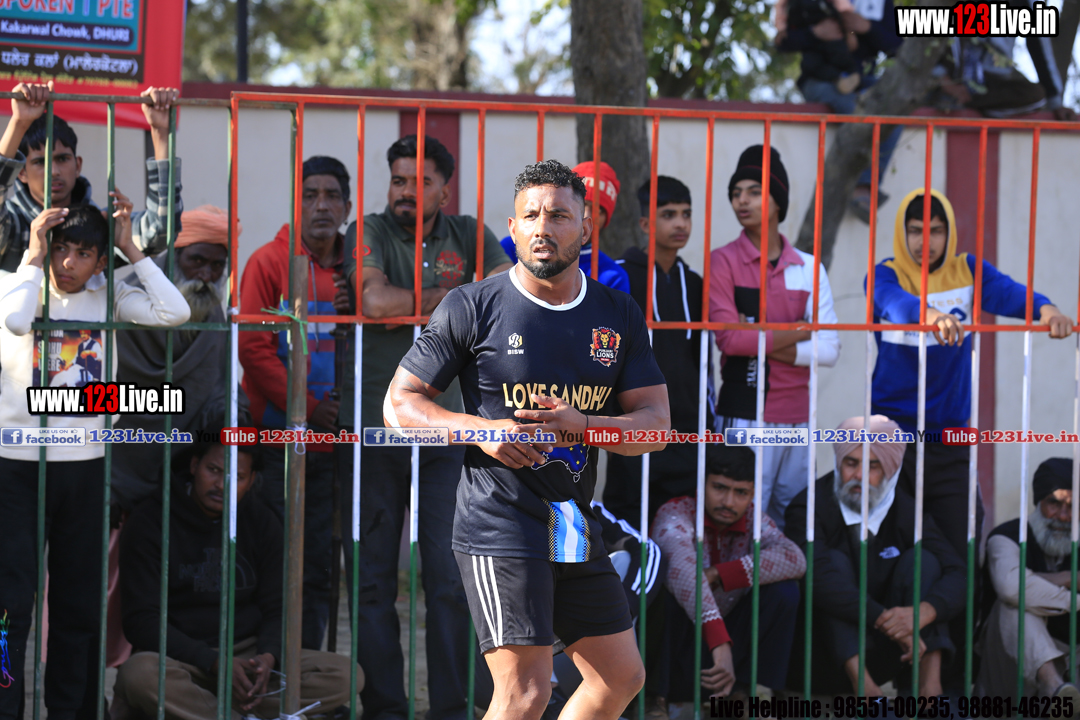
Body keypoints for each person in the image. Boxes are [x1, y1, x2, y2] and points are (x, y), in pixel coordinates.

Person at [386, 159, 670, 720]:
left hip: (571, 521)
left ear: (586, 227)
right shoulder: (472, 305)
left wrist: (585, 426)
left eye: (559, 215)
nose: (544, 227)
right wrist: (483, 431)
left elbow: (656, 427)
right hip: (501, 519)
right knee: (525, 693)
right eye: (531, 216)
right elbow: (399, 404)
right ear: (512, 228)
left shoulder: (617, 312)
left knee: (620, 677)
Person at [335, 134, 510, 720]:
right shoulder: (368, 231)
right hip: (374, 428)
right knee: (370, 582)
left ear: (444, 190)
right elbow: (376, 301)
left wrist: (430, 303)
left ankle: (451, 709)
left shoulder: (470, 233)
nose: (407, 191)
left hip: (449, 430)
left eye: (421, 181)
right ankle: (384, 708)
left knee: (451, 580)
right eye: (399, 180)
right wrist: (456, 298)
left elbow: (508, 297)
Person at [0, 201, 189, 720]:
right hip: (16, 463)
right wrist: (33, 257)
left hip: (84, 465)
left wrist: (132, 250)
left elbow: (175, 312)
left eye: (83, 253)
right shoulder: (17, 283)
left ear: (101, 261)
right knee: (9, 605)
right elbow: (16, 321)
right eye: (61, 248)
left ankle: (70, 711)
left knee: (77, 605)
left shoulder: (110, 294)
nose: (68, 262)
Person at [870, 188, 1074, 562]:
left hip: (951, 435)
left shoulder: (967, 270)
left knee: (960, 542)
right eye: (915, 230)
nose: (925, 241)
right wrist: (931, 316)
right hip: (892, 436)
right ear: (902, 232)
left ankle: (957, 601)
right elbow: (894, 304)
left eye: (936, 230)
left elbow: (1009, 292)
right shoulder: (886, 274)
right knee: (890, 548)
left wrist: (1047, 309)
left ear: (949, 233)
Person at [113, 427, 362, 720]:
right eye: (213, 470)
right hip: (181, 658)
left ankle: (203, 710)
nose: (222, 484)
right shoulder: (150, 521)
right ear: (194, 465)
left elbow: (278, 606)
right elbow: (141, 620)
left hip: (248, 656)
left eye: (238, 477)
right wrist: (213, 662)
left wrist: (268, 655)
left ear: (252, 480)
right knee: (140, 674)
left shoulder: (262, 521)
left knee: (346, 674)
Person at [240, 156, 352, 651]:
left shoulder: (358, 269)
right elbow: (253, 348)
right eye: (310, 195)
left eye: (331, 196)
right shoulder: (268, 262)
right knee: (276, 566)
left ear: (348, 206)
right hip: (279, 444)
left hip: (340, 447)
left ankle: (307, 674)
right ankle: (270, 668)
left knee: (320, 571)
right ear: (295, 203)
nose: (321, 205)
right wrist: (306, 407)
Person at [784, 416, 965, 697]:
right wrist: (883, 618)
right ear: (839, 463)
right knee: (832, 567)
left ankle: (930, 690)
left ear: (890, 469)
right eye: (851, 463)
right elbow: (816, 577)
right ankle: (867, 693)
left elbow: (959, 573)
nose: (859, 475)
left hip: (895, 649)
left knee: (924, 562)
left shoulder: (906, 511)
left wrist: (921, 614)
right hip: (822, 653)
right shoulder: (808, 506)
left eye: (873, 466)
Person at [710, 145, 840, 529]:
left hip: (800, 417)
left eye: (753, 191)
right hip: (744, 413)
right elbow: (731, 341)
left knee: (794, 521)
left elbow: (830, 350)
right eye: (736, 193)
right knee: (741, 522)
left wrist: (760, 339)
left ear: (777, 200)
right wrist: (800, 330)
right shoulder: (723, 261)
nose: (742, 201)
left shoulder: (809, 268)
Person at [654, 444, 805, 701]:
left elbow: (795, 559)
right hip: (682, 647)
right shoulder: (676, 513)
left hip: (731, 649)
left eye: (741, 492)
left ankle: (749, 693)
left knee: (785, 592)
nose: (728, 502)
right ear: (702, 484)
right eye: (719, 488)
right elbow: (683, 572)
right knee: (663, 591)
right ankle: (655, 699)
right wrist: (719, 642)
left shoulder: (755, 519)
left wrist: (719, 573)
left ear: (753, 493)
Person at [605, 176, 714, 527]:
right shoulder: (619, 277)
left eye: (686, 214)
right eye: (669, 215)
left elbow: (704, 360)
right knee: (630, 527)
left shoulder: (695, 283)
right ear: (645, 224)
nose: (680, 224)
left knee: (682, 529)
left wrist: (707, 422)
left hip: (686, 432)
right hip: (635, 427)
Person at [113, 205, 238, 511]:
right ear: (173, 258)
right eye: (197, 261)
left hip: (186, 463)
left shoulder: (211, 309)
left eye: (217, 266)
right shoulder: (130, 296)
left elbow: (221, 384)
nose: (206, 275)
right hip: (121, 455)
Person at [0, 82, 184, 275]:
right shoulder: (14, 223)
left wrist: (160, 132)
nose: (53, 171)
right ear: (22, 172)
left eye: (62, 159)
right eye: (40, 162)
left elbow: (160, 232)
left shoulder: (99, 225)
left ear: (78, 165)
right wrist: (19, 122)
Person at [775, 1, 903, 222]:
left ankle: (865, 185)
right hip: (819, 79)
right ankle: (858, 187)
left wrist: (868, 28)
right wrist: (815, 33)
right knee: (856, 111)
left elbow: (898, 47)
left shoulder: (882, 3)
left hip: (861, 79)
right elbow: (782, 41)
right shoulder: (805, 5)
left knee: (894, 110)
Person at [976, 458, 1080, 700]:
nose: (1063, 516)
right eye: (1054, 503)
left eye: (1073, 507)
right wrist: (1068, 580)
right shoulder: (1007, 536)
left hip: (1071, 660)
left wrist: (1040, 580)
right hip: (1009, 670)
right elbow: (1011, 586)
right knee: (1015, 605)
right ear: (1038, 501)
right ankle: (1053, 688)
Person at [499, 160, 630, 293]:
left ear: (586, 228)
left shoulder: (613, 276)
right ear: (513, 229)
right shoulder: (511, 248)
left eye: (599, 210)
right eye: (584, 204)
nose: (587, 214)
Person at [936, 18, 1077, 121]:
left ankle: (974, 106)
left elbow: (1040, 48)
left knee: (1035, 94)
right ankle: (948, 97)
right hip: (955, 73)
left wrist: (1055, 103)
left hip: (995, 80)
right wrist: (945, 81)